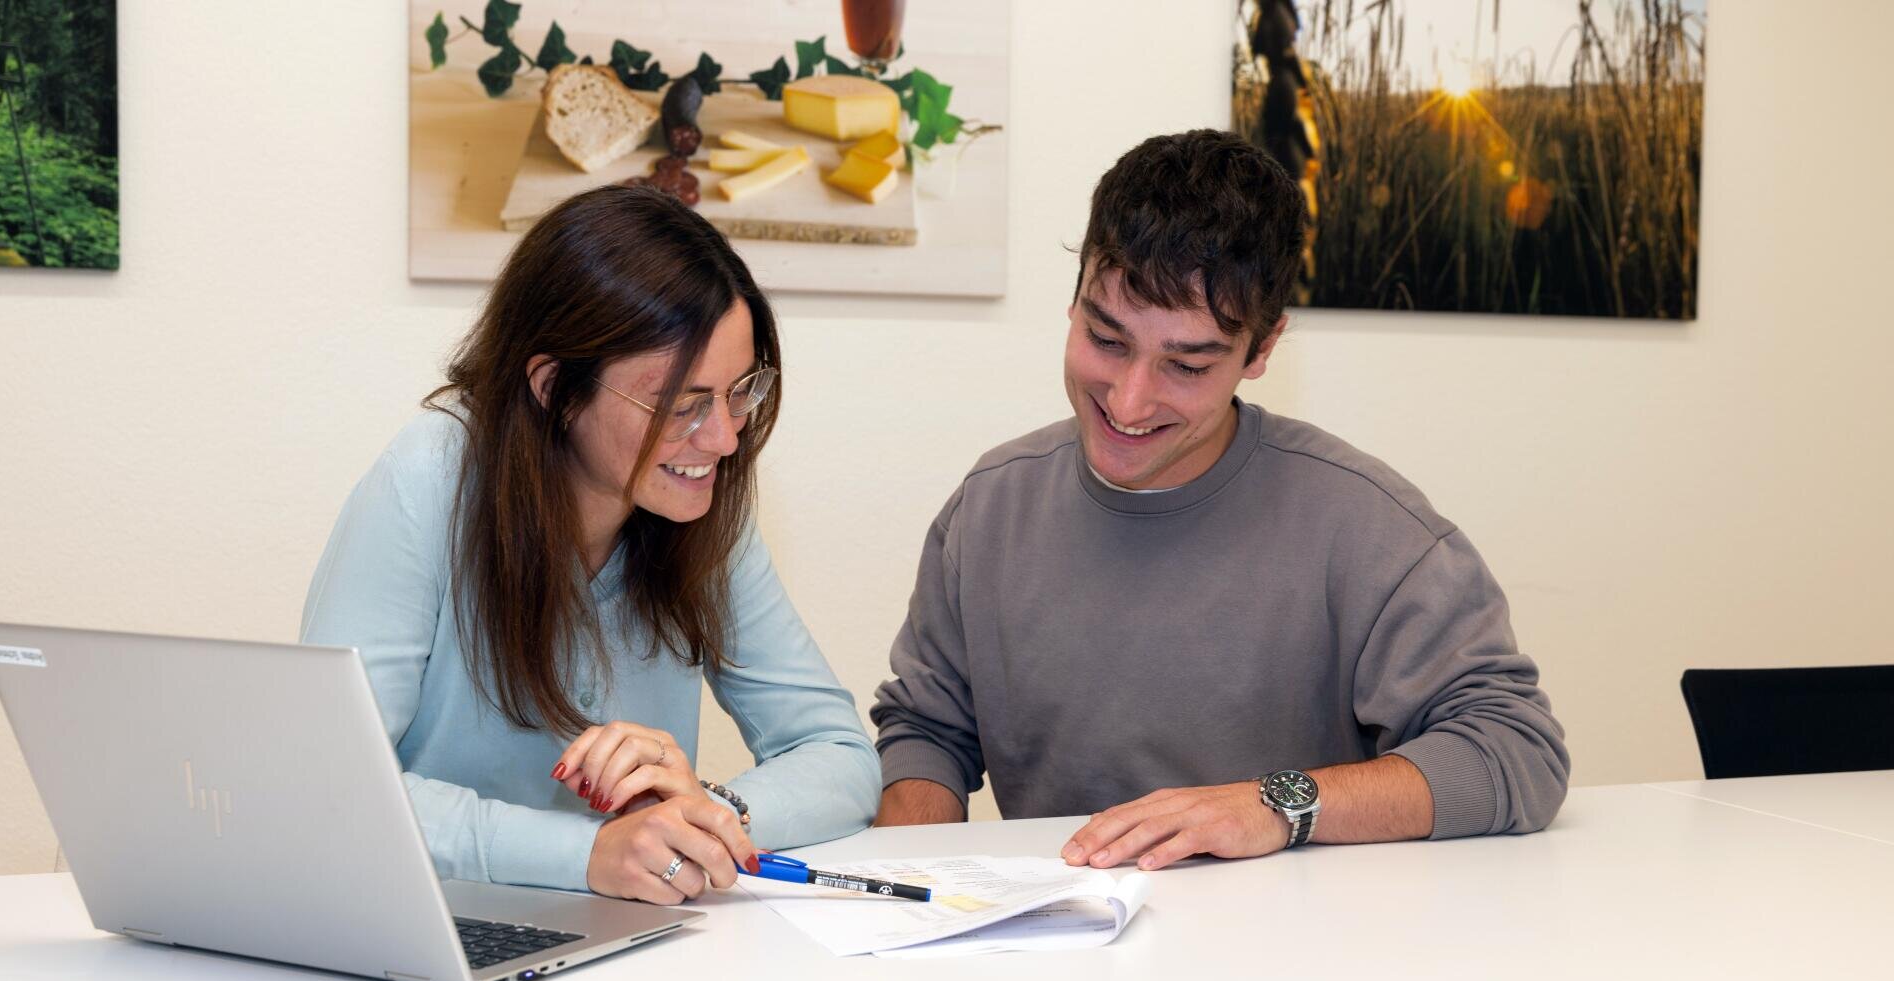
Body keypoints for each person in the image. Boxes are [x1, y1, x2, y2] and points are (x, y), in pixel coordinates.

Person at [870, 130, 1569, 872]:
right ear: (1074, 301)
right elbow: (928, 730)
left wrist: (1275, 805)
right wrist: (904, 890)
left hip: (1300, 959)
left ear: (1262, 350)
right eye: (1107, 340)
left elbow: (1516, 750)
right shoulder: (990, 508)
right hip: (1066, 952)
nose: (1130, 399)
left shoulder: (1368, 530)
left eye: (1187, 364)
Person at [302, 185, 878, 905]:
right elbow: (328, 786)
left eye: (739, 391)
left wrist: (708, 810)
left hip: (634, 954)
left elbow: (843, 760)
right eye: (682, 404)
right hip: (432, 930)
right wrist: (587, 853)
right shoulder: (427, 480)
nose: (725, 439)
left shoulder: (699, 500)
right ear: (553, 387)